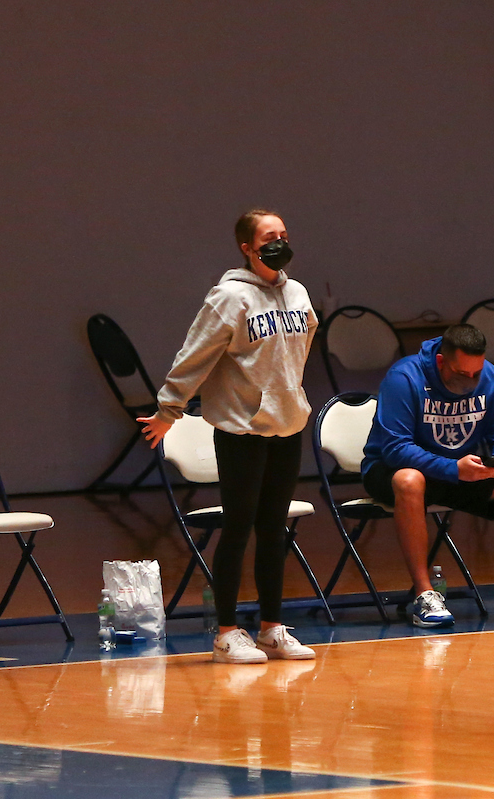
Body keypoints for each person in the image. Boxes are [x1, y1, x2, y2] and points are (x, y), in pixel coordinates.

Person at [138, 209, 317, 664]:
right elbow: (195, 354)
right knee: (238, 527)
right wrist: (169, 409)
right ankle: (226, 633)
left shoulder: (296, 293)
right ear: (247, 247)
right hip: (242, 429)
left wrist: (286, 392)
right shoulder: (228, 298)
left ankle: (273, 629)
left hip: (287, 425)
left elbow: (303, 342)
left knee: (275, 530)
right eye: (268, 236)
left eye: (283, 234)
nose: (279, 241)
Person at [362, 323, 494, 627]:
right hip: (393, 471)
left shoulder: (489, 375)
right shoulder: (405, 377)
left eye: (475, 374)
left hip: (458, 470)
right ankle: (424, 593)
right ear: (442, 361)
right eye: (461, 374)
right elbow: (395, 448)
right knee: (409, 480)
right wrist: (452, 469)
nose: (470, 381)